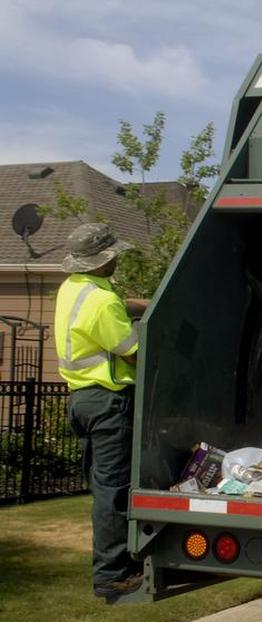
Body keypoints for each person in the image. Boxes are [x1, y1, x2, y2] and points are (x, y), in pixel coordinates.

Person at [54, 223, 147, 602]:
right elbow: (134, 352)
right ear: (102, 260)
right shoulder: (102, 302)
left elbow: (110, 304)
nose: (118, 259)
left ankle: (113, 567)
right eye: (113, 255)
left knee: (102, 487)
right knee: (113, 491)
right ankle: (112, 575)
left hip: (82, 400)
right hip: (109, 402)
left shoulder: (73, 289)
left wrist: (145, 303)